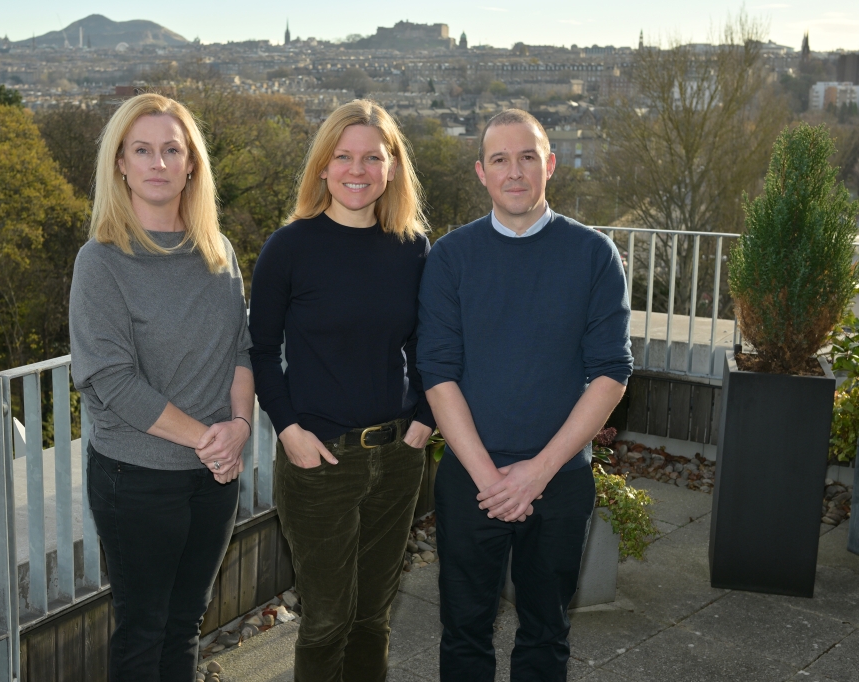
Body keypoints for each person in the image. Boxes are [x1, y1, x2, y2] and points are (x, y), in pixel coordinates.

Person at [417, 109, 633, 681]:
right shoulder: (450, 257)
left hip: (558, 480)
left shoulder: (593, 255)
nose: (515, 172)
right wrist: (492, 480)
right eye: (500, 159)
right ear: (481, 173)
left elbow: (611, 372)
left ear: (550, 165)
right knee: (463, 632)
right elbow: (437, 374)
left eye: (528, 156)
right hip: (470, 479)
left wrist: (537, 472)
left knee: (546, 633)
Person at [249, 99, 435, 682]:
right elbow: (259, 351)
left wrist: (425, 418)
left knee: (373, 617)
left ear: (393, 168)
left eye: (372, 157)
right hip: (320, 459)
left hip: (399, 456)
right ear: (323, 167)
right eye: (343, 156)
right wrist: (288, 429)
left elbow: (430, 347)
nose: (357, 170)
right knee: (327, 619)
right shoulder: (289, 248)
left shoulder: (413, 247)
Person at [69, 93, 253, 682]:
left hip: (212, 477)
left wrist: (241, 429)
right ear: (119, 163)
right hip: (137, 479)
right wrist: (210, 439)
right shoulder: (101, 261)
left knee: (186, 624)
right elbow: (111, 379)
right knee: (144, 628)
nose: (157, 162)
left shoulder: (217, 252)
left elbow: (241, 352)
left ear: (191, 163)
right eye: (141, 150)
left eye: (171, 149)